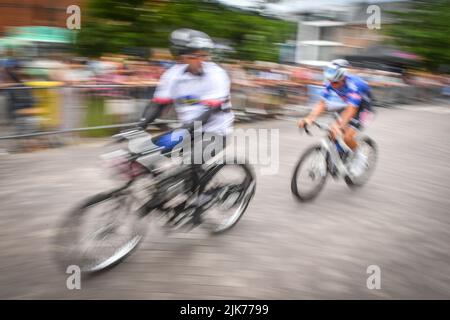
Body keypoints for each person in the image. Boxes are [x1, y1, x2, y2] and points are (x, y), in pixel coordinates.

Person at [298, 59, 374, 177]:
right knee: (332, 132)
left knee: (347, 136)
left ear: (343, 77)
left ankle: (360, 159)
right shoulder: (331, 83)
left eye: (335, 82)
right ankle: (339, 155)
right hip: (348, 105)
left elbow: (351, 110)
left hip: (363, 108)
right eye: (330, 81)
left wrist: (341, 126)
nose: (332, 84)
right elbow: (322, 103)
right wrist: (309, 118)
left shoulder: (354, 85)